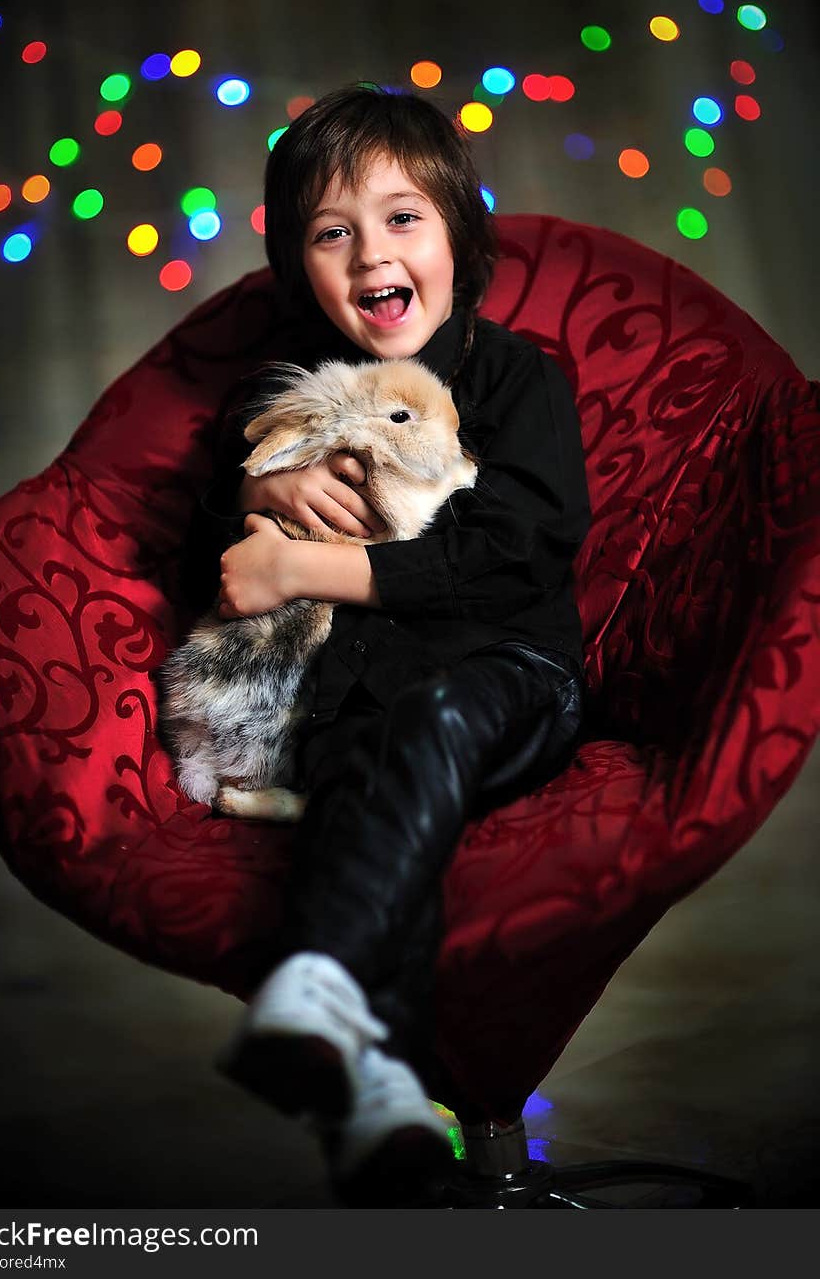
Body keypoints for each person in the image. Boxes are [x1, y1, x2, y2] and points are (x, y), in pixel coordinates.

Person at [179, 82, 592, 1206]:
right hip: (355, 703)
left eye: (403, 216)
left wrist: (304, 565)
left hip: (514, 679)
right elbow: (215, 522)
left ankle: (318, 981)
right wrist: (265, 487)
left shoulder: (514, 379)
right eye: (331, 232)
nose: (371, 251)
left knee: (430, 717)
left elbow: (514, 550)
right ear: (297, 273)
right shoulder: (290, 404)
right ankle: (385, 1101)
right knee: (368, 761)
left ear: (459, 234)